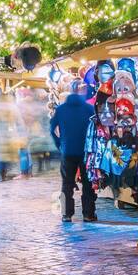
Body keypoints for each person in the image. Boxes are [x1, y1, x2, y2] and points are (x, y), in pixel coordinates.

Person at [51, 81, 96, 222]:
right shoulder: (89, 108)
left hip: (67, 150)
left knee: (66, 184)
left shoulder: (61, 109)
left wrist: (59, 144)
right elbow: (96, 128)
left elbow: (51, 128)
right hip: (85, 151)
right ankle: (88, 214)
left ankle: (66, 214)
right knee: (88, 184)